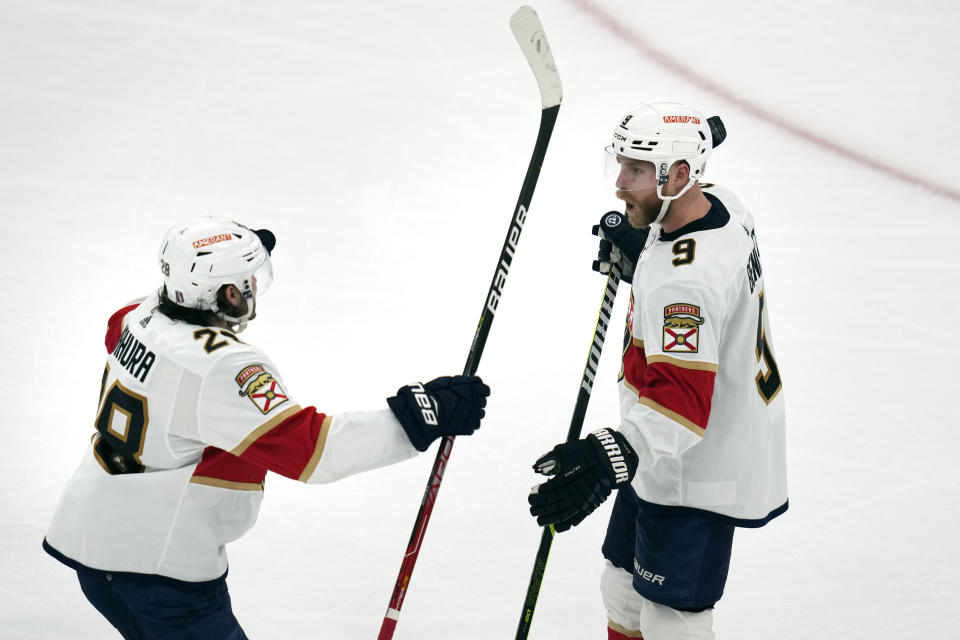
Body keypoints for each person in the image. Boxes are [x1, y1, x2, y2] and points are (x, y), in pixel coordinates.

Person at [43, 217, 490, 639]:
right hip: (160, 574)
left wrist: (214, 261)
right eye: (247, 281)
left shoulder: (137, 318)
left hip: (97, 549)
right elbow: (312, 451)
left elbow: (131, 327)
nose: (255, 286)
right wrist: (421, 415)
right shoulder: (220, 364)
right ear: (230, 296)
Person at [528, 101, 787, 639]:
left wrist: (606, 459)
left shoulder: (683, 287)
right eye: (620, 164)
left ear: (681, 175)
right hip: (659, 453)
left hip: (695, 465)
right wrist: (644, 247)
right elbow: (688, 262)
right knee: (622, 592)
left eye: (637, 170)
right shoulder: (722, 204)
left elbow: (680, 406)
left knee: (673, 621)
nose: (619, 183)